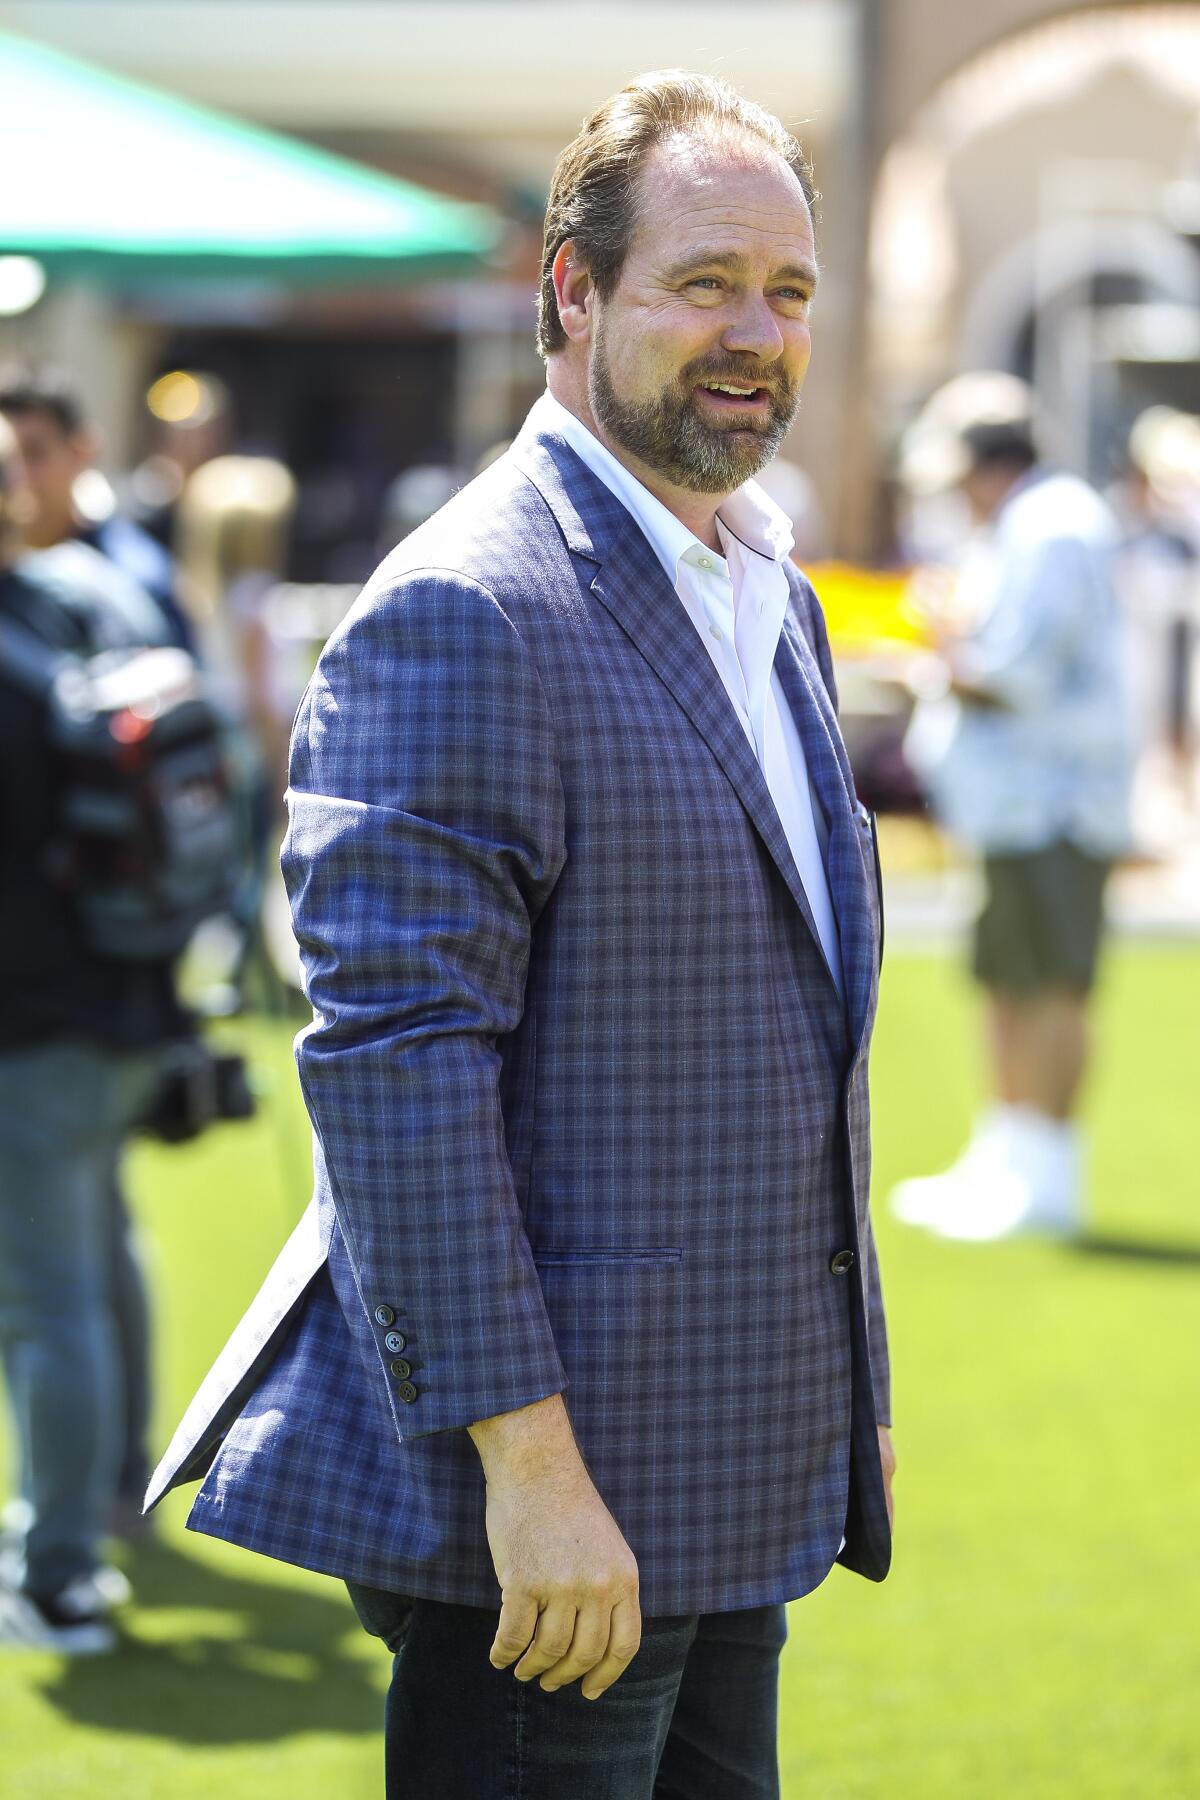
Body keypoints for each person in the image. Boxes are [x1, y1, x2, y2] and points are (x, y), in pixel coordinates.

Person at [146, 72, 894, 1796]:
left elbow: (784, 1027)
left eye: (786, 291)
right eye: (703, 280)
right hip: (550, 1508)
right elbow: (400, 1076)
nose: (755, 332)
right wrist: (533, 1475)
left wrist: (841, 1387)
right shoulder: (466, 607)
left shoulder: (764, 591)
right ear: (574, 292)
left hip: (736, 1455)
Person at [0, 417, 185, 1654]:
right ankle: (112, 1493)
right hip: (130, 987)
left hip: (40, 1017)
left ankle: (62, 1574)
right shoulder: (86, 607)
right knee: (99, 1254)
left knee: (46, 1301)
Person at [894, 373, 1134, 1242]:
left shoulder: (1054, 527)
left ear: (984, 463)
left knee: (1051, 985)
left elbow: (1017, 674)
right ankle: (1007, 1157)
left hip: (1055, 802)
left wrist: (937, 647)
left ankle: (1048, 1174)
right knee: (1007, 980)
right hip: (1017, 805)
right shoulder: (1028, 526)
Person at [0, 364, 195, 653]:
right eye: (6, 463)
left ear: (82, 451)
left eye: (34, 454)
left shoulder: (134, 576)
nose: (18, 478)